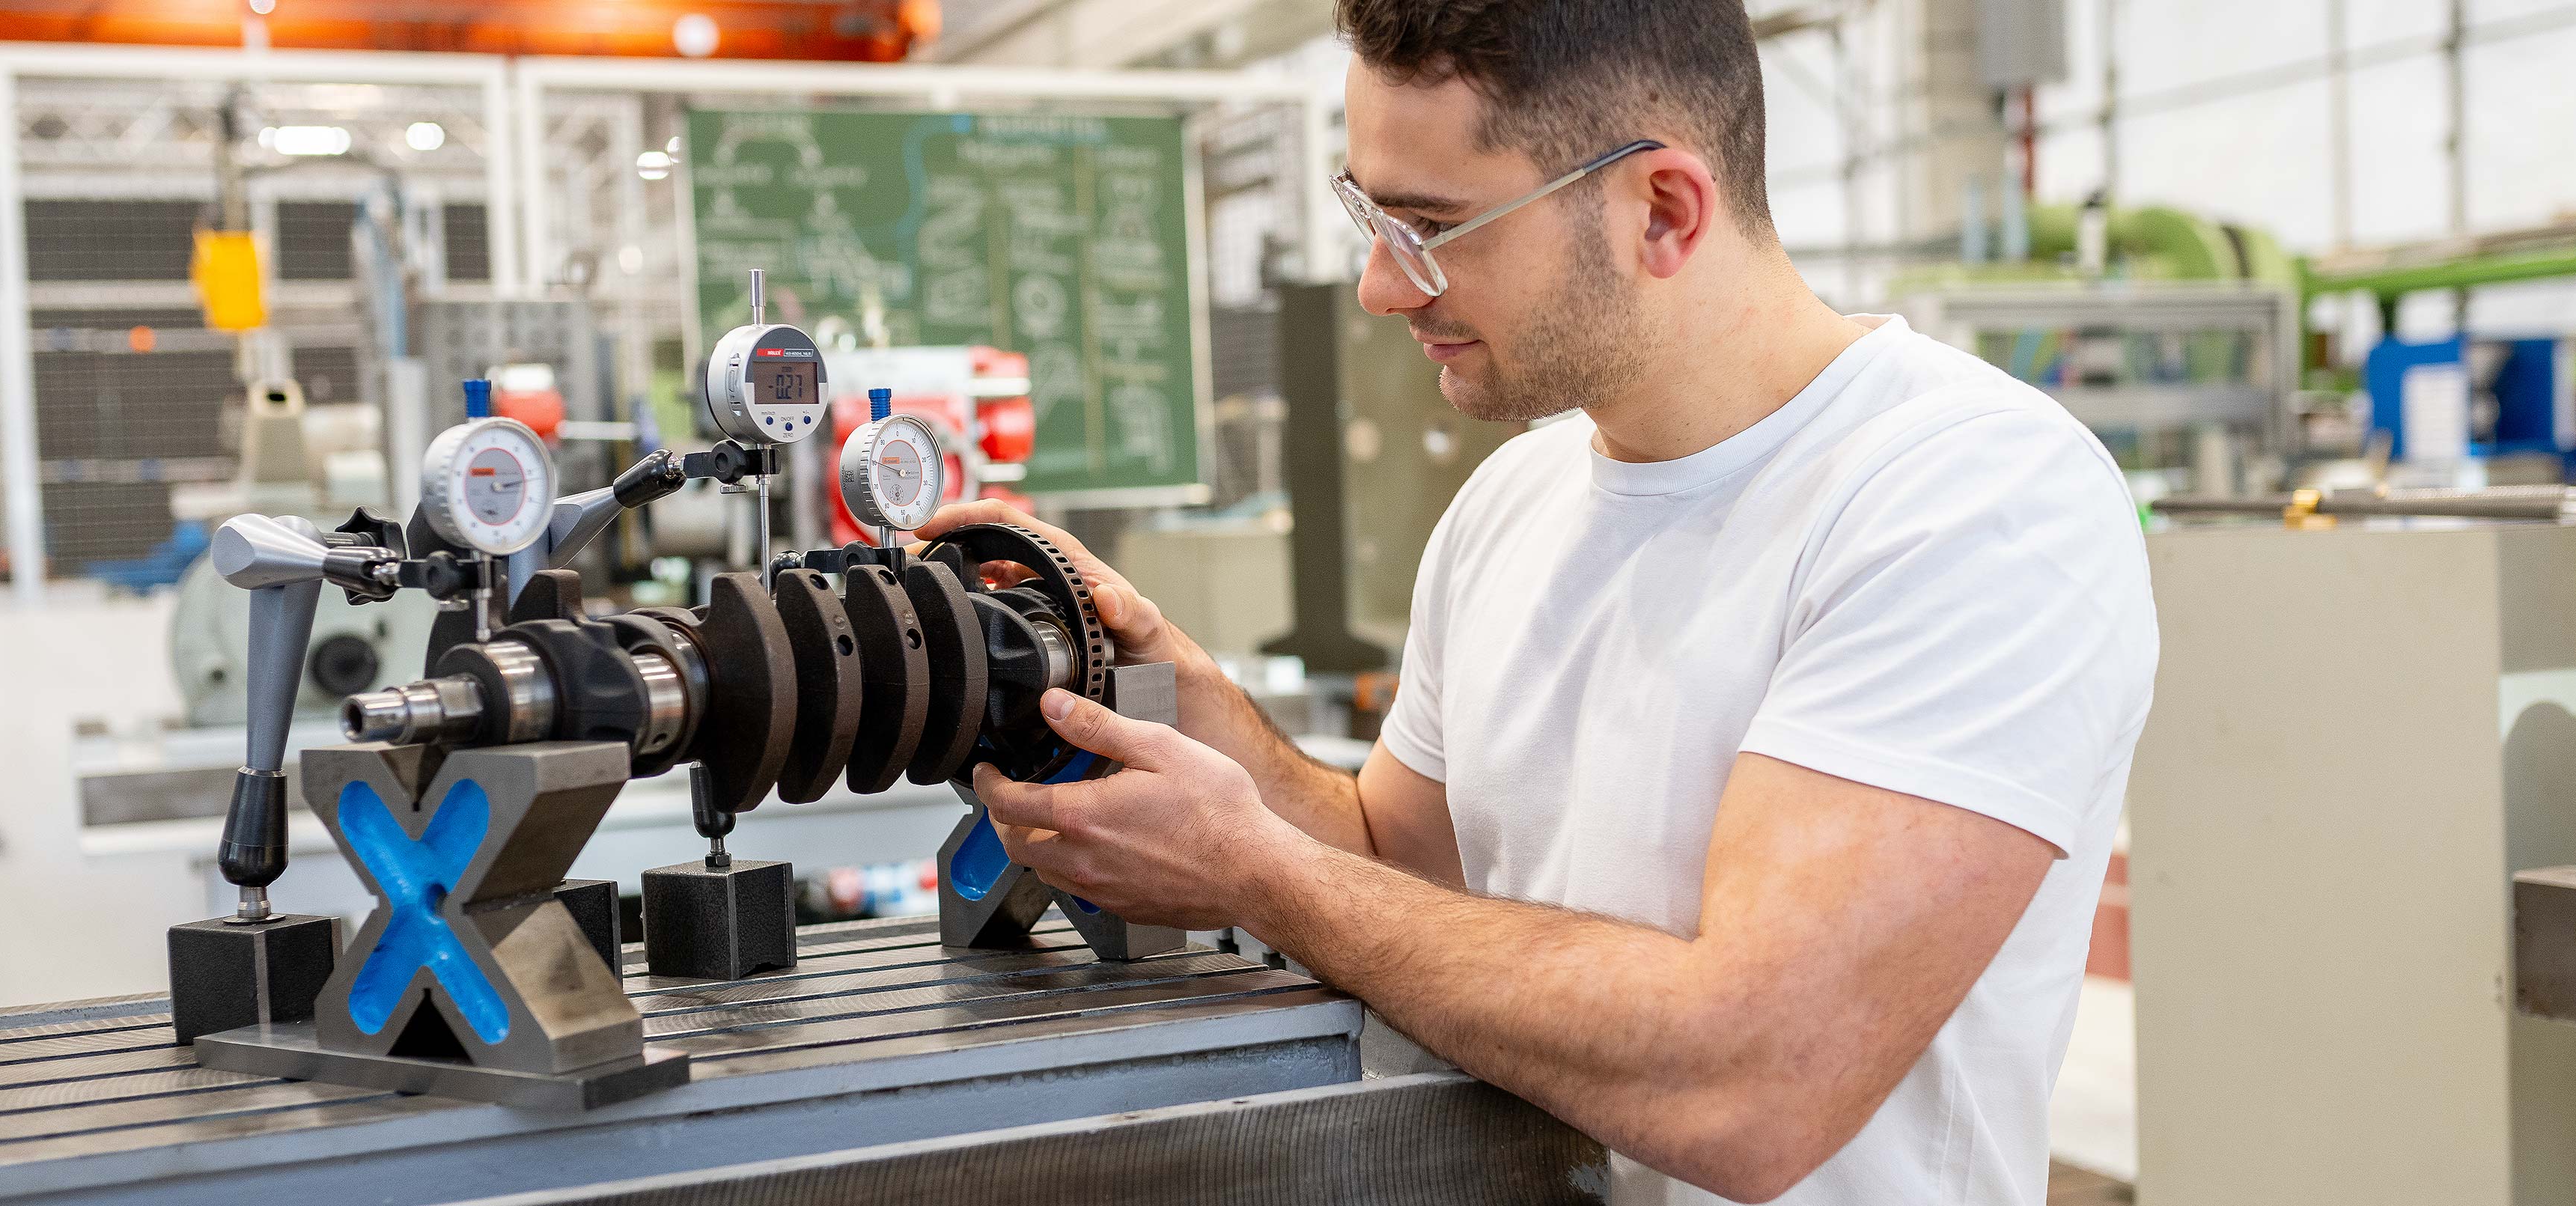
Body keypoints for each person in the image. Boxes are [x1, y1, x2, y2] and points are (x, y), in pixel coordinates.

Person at [913, 1, 2157, 1202]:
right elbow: (1399, 876)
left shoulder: (1968, 501)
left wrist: (1253, 877)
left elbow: (1756, 1083)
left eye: (1431, 227)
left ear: (1662, 210)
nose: (1381, 290)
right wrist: (1188, 696)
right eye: (1370, 215)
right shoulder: (1518, 498)